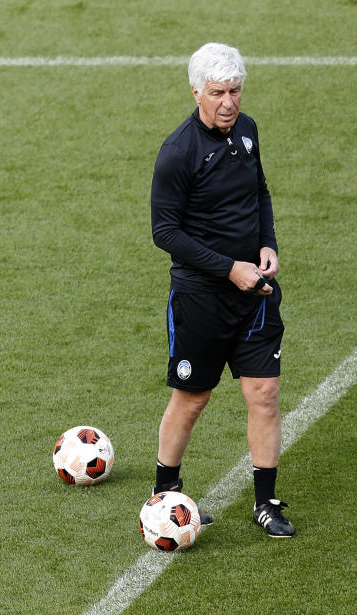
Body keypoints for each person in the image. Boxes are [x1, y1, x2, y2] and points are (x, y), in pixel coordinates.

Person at [149, 42, 294, 538]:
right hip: (200, 299)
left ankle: (265, 502)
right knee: (193, 397)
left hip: (253, 295)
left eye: (235, 91)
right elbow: (164, 233)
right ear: (196, 93)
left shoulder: (248, 131)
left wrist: (267, 244)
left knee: (265, 393)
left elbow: (259, 191)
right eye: (218, 93)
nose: (229, 102)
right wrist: (229, 267)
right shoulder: (178, 153)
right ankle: (164, 495)